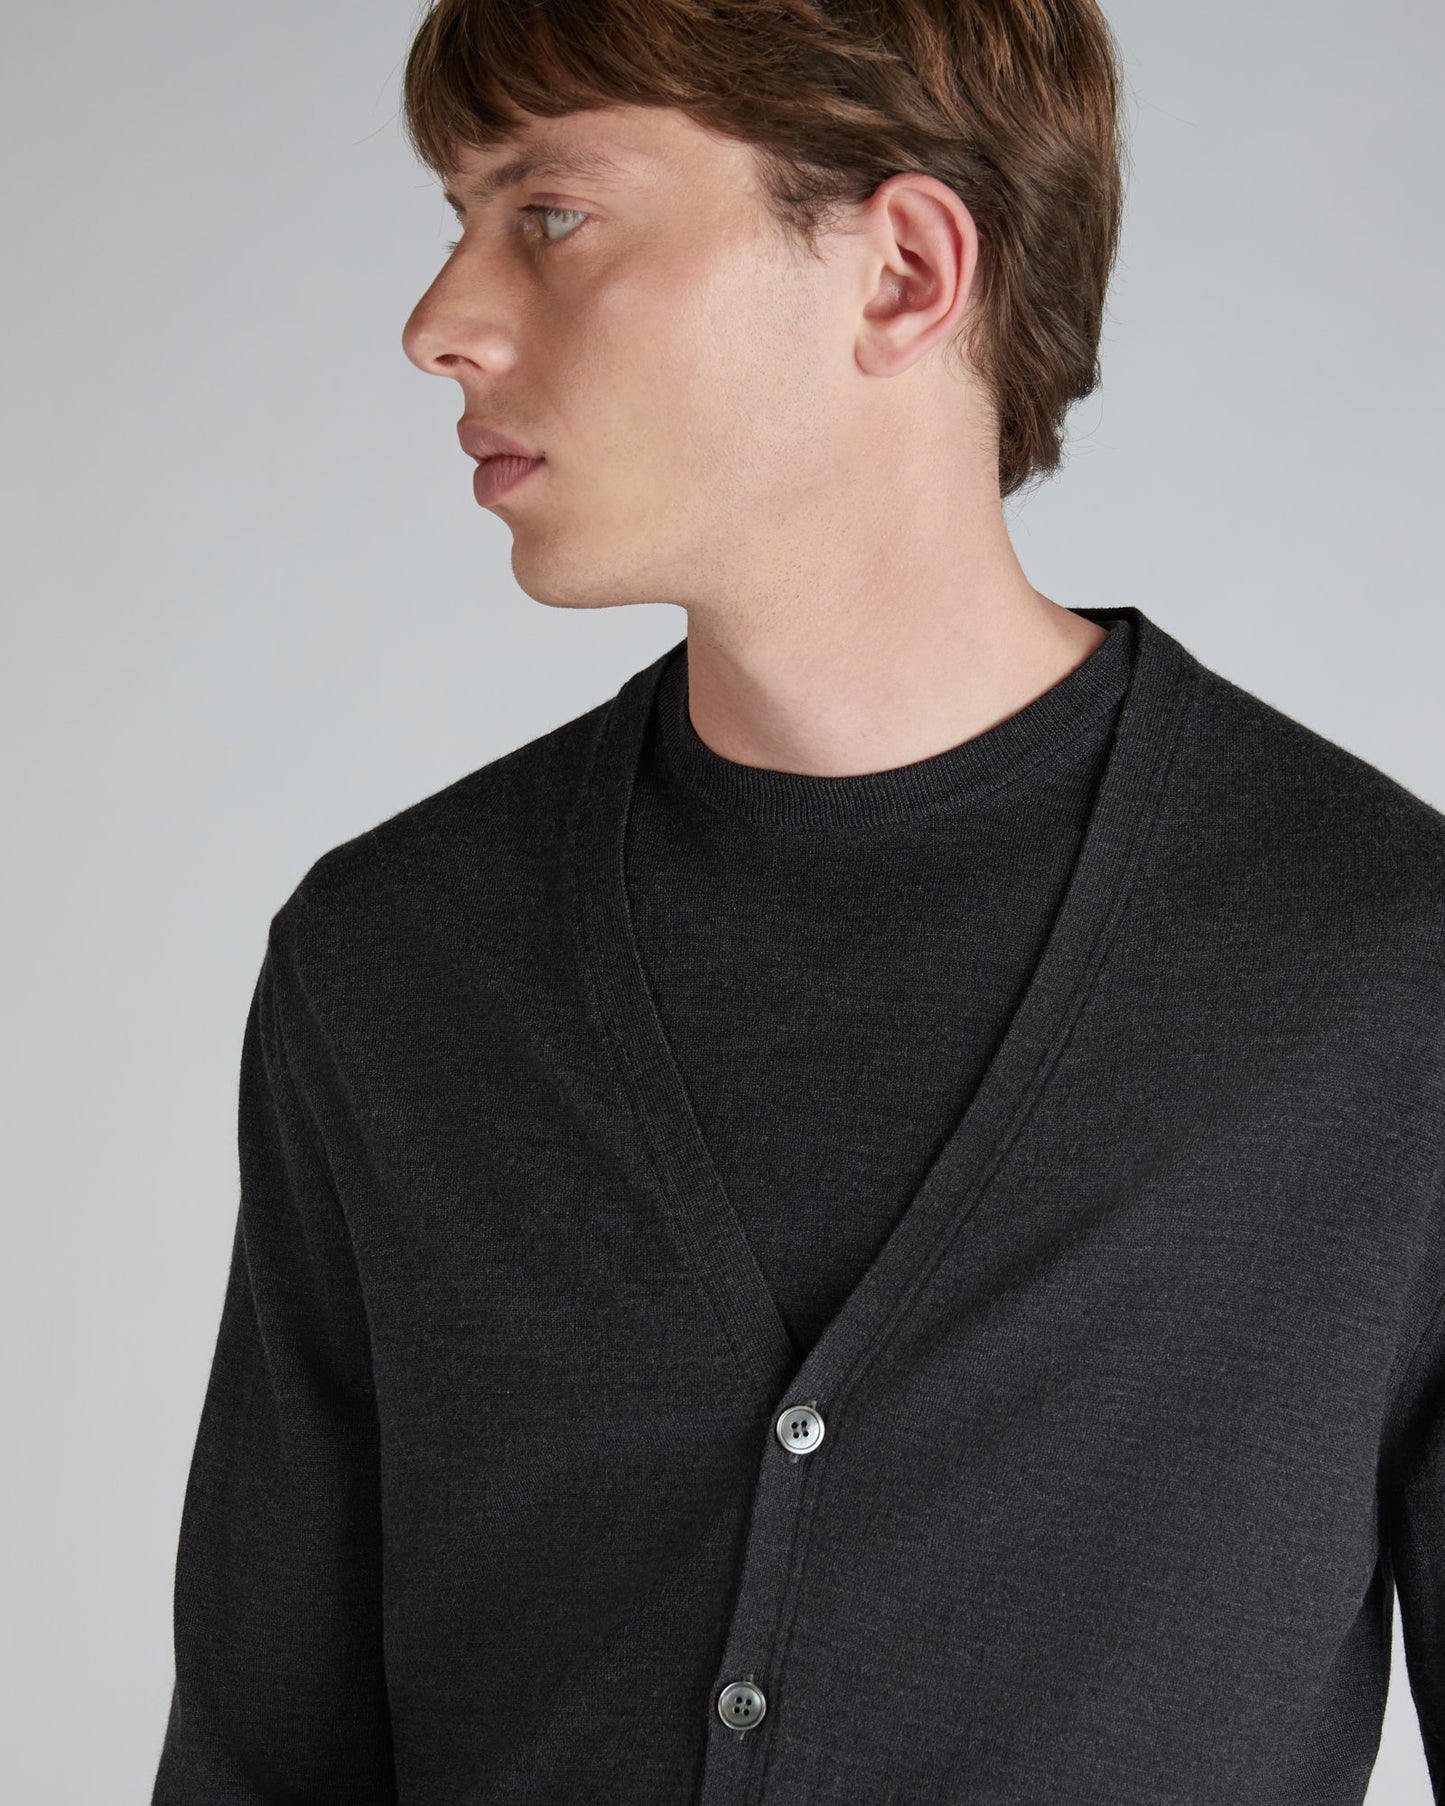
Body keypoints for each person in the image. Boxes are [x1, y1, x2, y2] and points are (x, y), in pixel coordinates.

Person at [151, 3, 1445, 1802]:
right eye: (457, 217)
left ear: (901, 272)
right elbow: (259, 1759)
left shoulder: (1388, 979)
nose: (439, 320)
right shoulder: (389, 965)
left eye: (548, 214)